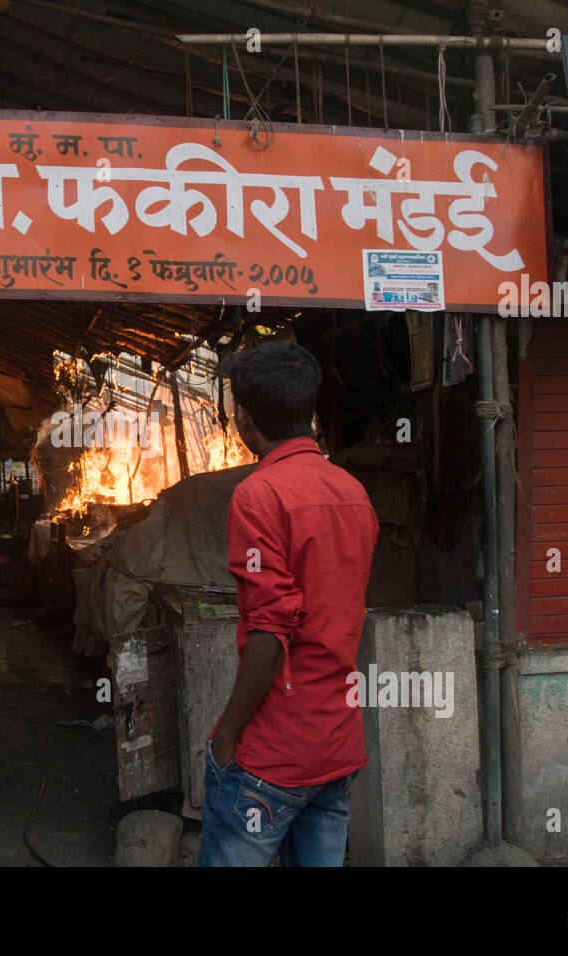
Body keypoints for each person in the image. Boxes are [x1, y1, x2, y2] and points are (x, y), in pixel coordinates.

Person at [199, 340, 379, 867]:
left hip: (272, 754)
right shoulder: (353, 492)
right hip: (336, 745)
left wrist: (226, 736)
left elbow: (271, 632)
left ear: (244, 420)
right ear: (311, 411)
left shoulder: (258, 496)